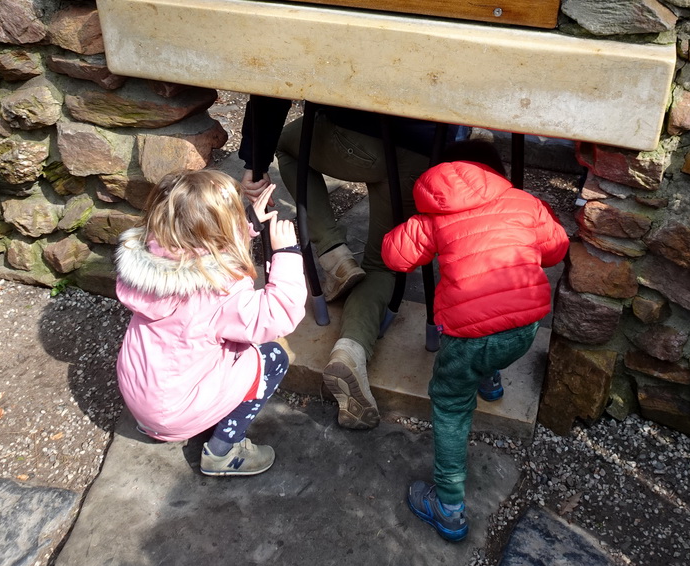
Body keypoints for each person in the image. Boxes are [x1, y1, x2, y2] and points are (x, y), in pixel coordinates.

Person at [381, 140, 569, 541]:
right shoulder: (525, 203)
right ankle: (491, 380)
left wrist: (420, 221)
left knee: (450, 404)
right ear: (497, 174)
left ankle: (448, 506)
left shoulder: (434, 216)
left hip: (468, 336)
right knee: (498, 320)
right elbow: (556, 250)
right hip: (525, 330)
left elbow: (394, 257)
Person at [239, 96, 458, 431]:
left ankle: (334, 253)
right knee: (385, 262)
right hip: (424, 148)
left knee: (287, 144)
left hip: (353, 137)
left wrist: (255, 160)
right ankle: (350, 350)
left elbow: (270, 84)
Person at [115, 168, 307, 477]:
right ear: (219, 233)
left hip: (142, 399)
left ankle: (170, 421)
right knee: (272, 357)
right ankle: (223, 451)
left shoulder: (153, 259)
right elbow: (279, 314)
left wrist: (248, 226)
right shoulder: (219, 292)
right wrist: (287, 252)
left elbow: (199, 246)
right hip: (174, 413)